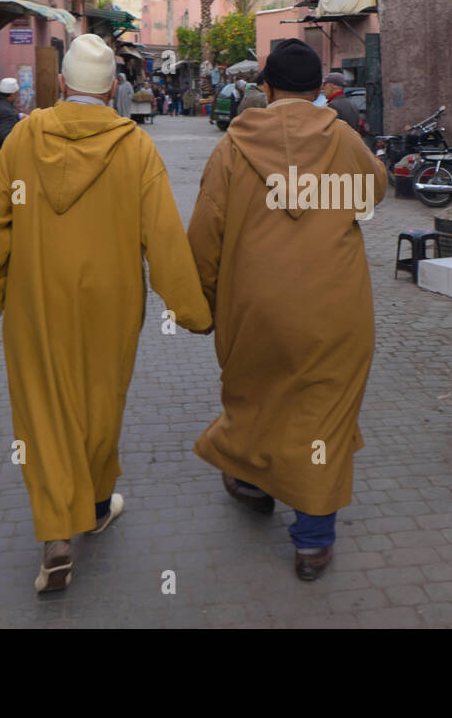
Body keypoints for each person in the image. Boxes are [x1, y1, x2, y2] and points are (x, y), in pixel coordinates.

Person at [0, 33, 212, 594]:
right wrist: (193, 310)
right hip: (112, 302)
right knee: (101, 403)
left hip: (36, 301)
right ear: (111, 92)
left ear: (61, 85)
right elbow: (165, 239)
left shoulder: (25, 138)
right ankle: (97, 505)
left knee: (44, 410)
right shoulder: (135, 147)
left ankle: (58, 534)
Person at [186, 37, 388, 581]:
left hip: (255, 306)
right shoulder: (344, 139)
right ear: (321, 90)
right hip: (335, 308)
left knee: (257, 396)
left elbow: (205, 235)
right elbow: (372, 196)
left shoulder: (232, 145)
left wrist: (201, 306)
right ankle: (313, 543)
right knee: (323, 412)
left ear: (265, 88)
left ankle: (252, 485)